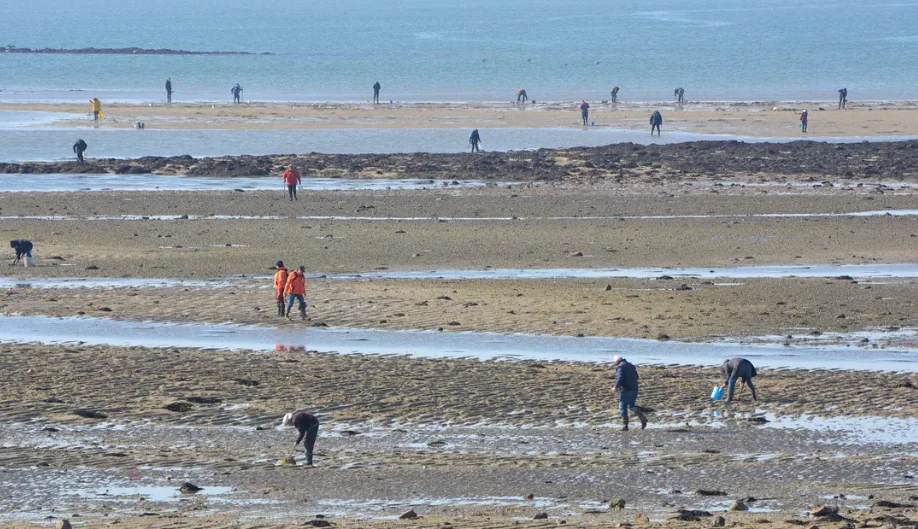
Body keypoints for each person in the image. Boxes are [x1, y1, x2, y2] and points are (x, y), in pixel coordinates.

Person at [613, 355, 647, 431]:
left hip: (626, 390)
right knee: (631, 406)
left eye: (614, 362)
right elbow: (637, 377)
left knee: (622, 406)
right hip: (635, 388)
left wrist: (615, 387)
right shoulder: (631, 365)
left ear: (616, 361)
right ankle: (643, 418)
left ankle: (625, 426)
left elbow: (620, 378)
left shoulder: (620, 367)